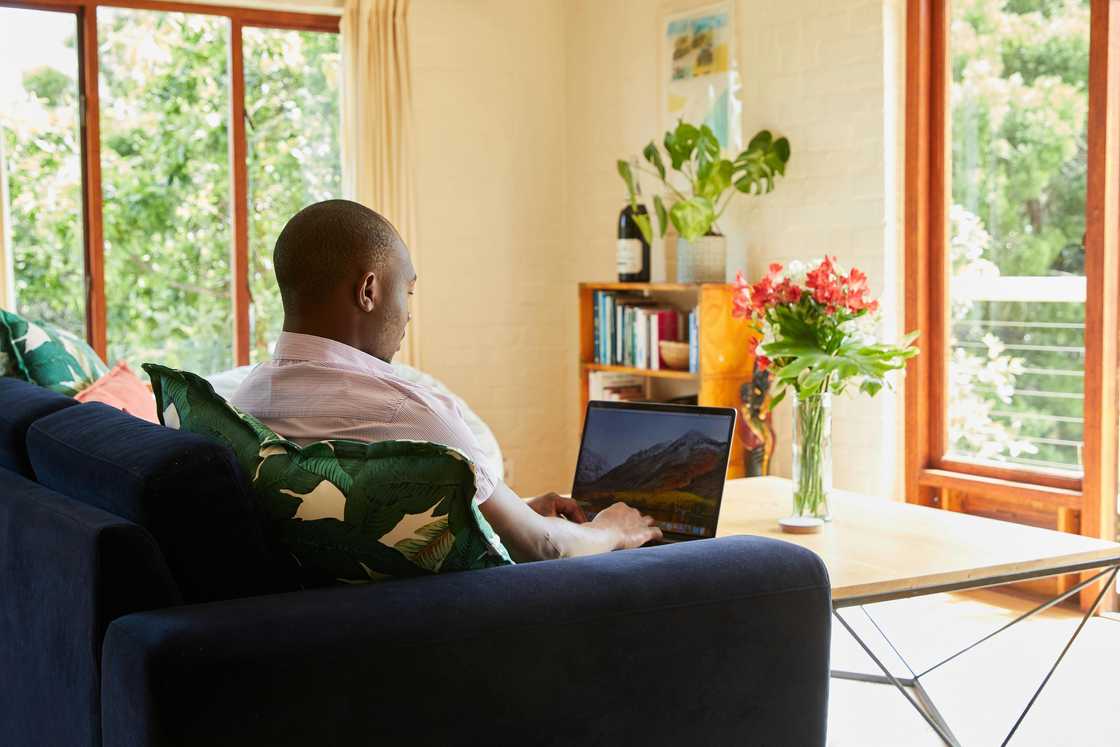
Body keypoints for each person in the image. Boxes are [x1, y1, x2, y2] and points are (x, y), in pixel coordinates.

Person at [232, 199, 662, 562]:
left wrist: (496, 509)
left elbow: (346, 512)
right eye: (409, 292)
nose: (409, 313)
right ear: (368, 292)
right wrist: (613, 530)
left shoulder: (244, 404)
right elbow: (543, 545)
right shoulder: (405, 411)